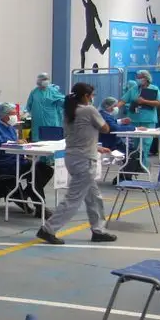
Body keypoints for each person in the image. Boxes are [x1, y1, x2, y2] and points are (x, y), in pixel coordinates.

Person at [36, 83, 117, 245]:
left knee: (94, 197)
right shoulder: (89, 110)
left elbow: (79, 135)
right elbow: (105, 128)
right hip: (84, 161)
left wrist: (96, 147)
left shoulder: (69, 112)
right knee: (73, 199)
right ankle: (48, 229)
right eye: (92, 95)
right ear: (86, 96)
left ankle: (98, 230)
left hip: (73, 157)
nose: (93, 98)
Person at [0, 102, 54, 218]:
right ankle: (39, 207)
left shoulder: (10, 127)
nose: (15, 116)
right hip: (6, 163)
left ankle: (27, 193)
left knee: (47, 170)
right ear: (5, 115)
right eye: (13, 114)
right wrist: (13, 142)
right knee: (35, 171)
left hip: (18, 160)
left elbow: (16, 143)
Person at [118, 70, 160, 168]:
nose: (138, 79)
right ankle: (134, 164)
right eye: (137, 77)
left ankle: (143, 165)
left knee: (146, 144)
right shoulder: (134, 89)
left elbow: (159, 103)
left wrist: (144, 101)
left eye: (140, 77)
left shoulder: (154, 89)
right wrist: (114, 108)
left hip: (148, 120)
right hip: (134, 119)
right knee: (135, 144)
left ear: (146, 78)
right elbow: (123, 100)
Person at [25, 73, 65, 141]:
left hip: (51, 121)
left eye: (47, 79)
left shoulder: (53, 91)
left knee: (52, 141)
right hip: (38, 121)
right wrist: (26, 113)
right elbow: (29, 105)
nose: (45, 81)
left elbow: (63, 103)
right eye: (43, 79)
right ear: (39, 81)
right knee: (38, 141)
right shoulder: (34, 92)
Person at [79, 0, 109, 70]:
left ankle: (107, 44)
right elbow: (85, 4)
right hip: (90, 33)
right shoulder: (88, 5)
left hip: (92, 33)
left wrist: (99, 22)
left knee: (100, 51)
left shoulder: (92, 6)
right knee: (83, 50)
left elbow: (96, 16)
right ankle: (107, 44)